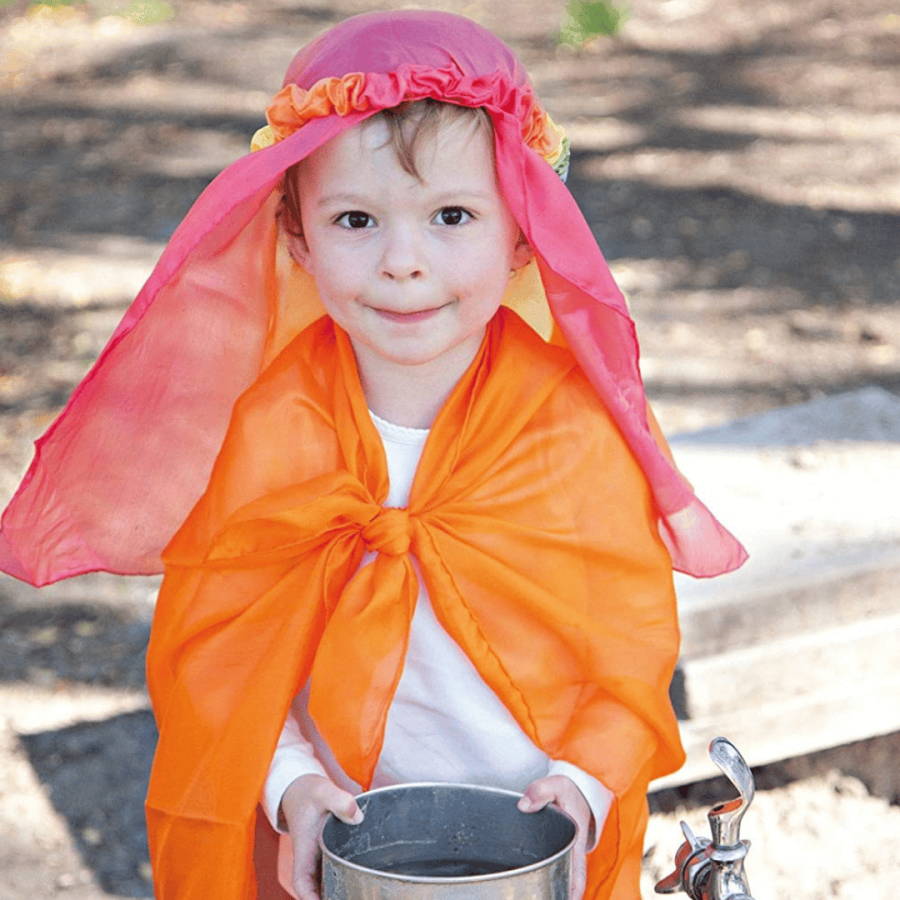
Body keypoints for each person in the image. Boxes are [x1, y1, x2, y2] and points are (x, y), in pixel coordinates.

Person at [0, 10, 747, 900]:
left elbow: (630, 643)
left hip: (536, 837)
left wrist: (584, 785)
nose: (403, 261)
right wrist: (290, 784)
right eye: (356, 218)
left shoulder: (570, 425)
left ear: (521, 232)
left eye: (452, 216)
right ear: (296, 237)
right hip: (341, 842)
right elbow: (218, 646)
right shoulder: (274, 425)